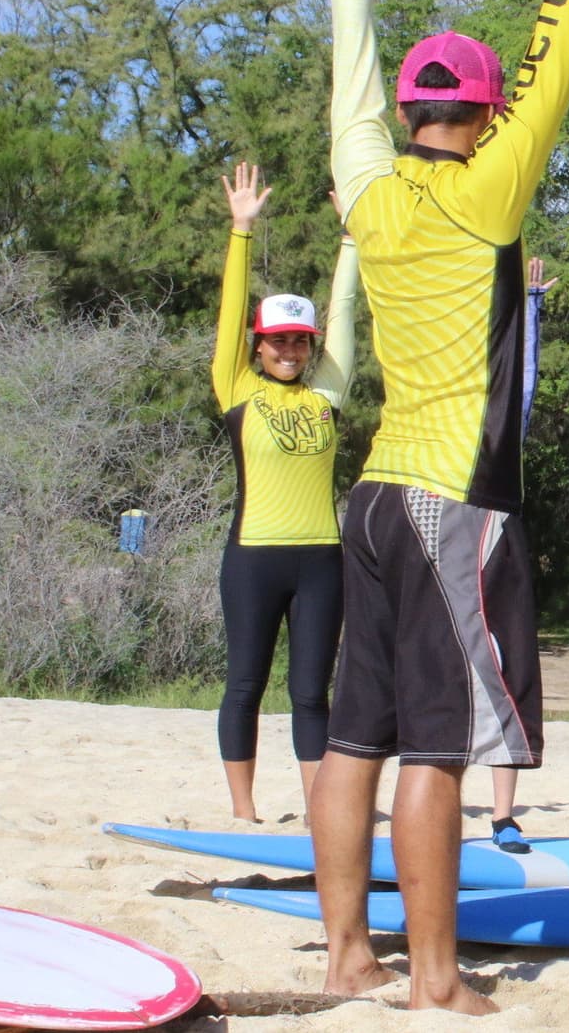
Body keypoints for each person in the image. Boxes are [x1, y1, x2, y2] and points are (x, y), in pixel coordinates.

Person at [315, 0, 569, 1013]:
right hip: (451, 506)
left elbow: (348, 57)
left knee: (356, 741)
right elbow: (558, 38)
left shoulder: (370, 188)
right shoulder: (490, 188)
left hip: (375, 499)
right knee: (435, 750)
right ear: (483, 118)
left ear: (407, 110)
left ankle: (350, 953)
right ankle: (435, 980)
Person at [210, 162, 356, 824]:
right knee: (244, 683)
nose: (291, 350)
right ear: (258, 345)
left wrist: (353, 240)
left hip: (320, 559)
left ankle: (317, 811)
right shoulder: (238, 390)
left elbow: (346, 309)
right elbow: (227, 315)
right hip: (254, 557)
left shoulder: (328, 393)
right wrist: (241, 230)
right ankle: (243, 811)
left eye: (300, 340)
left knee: (310, 692)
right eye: (278, 341)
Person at [484, 255, 556, 856]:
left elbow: (523, 378)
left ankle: (503, 816)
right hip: (439, 540)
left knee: (506, 676)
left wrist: (530, 305)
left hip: (499, 543)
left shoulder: (504, 423)